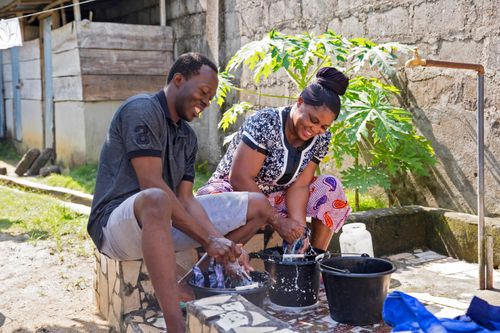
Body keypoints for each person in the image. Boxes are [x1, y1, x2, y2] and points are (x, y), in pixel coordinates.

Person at [87, 53, 284, 333]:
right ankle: (175, 326)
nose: (205, 103)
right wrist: (208, 238)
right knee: (156, 198)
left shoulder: (188, 138)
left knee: (257, 204)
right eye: (203, 92)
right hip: (115, 227)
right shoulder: (141, 110)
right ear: (178, 80)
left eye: (210, 98)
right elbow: (151, 182)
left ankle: (194, 280)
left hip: (161, 222)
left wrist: (218, 242)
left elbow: (186, 199)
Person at [197, 67, 352, 251]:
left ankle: (311, 263)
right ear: (300, 101)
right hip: (236, 191)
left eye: (324, 127)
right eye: (313, 120)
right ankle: (225, 260)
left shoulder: (321, 138)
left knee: (330, 187)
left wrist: (298, 230)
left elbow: (300, 185)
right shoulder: (266, 123)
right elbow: (239, 177)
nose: (316, 129)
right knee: (211, 200)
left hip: (278, 197)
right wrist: (277, 221)